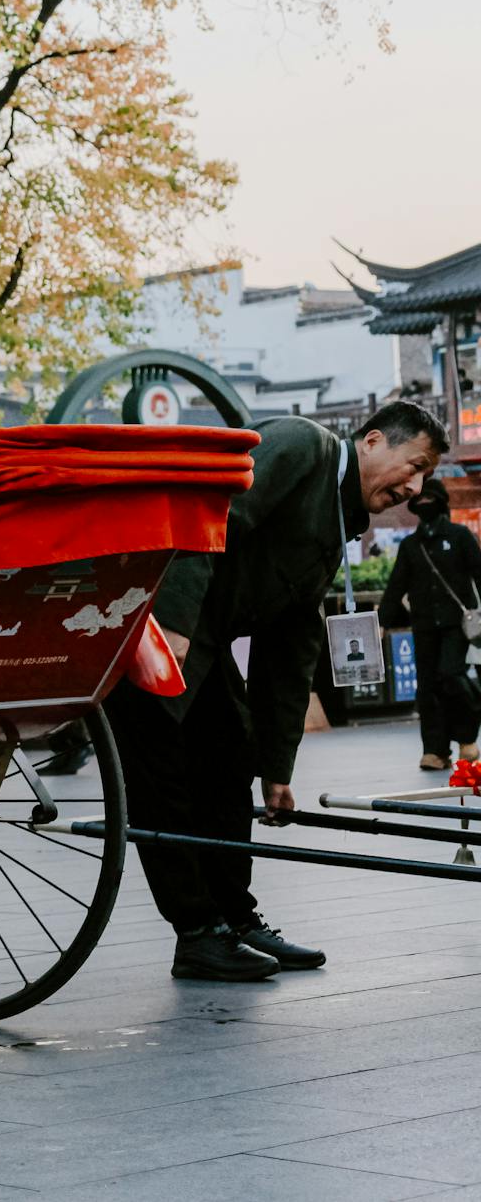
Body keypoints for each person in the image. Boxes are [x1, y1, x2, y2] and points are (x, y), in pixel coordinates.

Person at [106, 401, 445, 982]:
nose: (415, 488)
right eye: (413, 466)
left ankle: (236, 919)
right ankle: (197, 933)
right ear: (370, 442)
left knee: (230, 756)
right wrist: (174, 622)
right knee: (163, 779)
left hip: (202, 644)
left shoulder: (338, 523)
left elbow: (291, 648)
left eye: (425, 479)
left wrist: (277, 767)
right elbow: (208, 513)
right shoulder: (302, 447)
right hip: (147, 619)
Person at [380, 476, 481, 771]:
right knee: (426, 688)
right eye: (419, 500)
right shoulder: (411, 545)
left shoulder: (461, 536)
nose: (424, 503)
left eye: (429, 498)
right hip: (423, 626)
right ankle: (435, 750)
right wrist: (381, 622)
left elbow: (479, 574)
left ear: (441, 502)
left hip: (456, 624)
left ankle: (466, 739)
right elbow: (396, 586)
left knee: (451, 675)